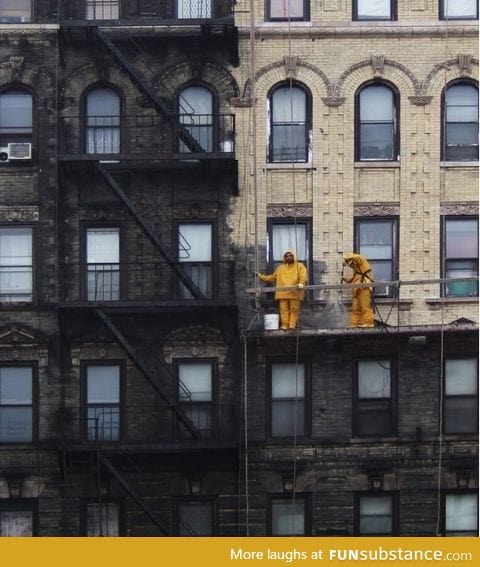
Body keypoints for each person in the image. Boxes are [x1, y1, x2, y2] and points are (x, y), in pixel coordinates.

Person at [257, 250, 308, 330]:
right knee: (283, 310)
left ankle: (292, 325)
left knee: (294, 309)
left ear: (293, 256)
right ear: (285, 257)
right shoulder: (280, 268)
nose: (289, 257)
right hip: (282, 293)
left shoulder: (299, 266)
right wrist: (261, 276)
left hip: (295, 293)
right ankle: (284, 325)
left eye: (290, 255)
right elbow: (272, 278)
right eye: (287, 256)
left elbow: (303, 275)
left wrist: (301, 282)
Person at [342, 253, 374, 328]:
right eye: (350, 265)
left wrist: (345, 259)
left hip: (364, 287)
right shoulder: (356, 271)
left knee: (365, 306)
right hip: (357, 289)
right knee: (356, 308)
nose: (351, 266)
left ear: (354, 261)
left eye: (351, 264)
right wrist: (345, 279)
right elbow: (353, 279)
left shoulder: (362, 262)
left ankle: (368, 323)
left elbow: (357, 256)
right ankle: (355, 323)